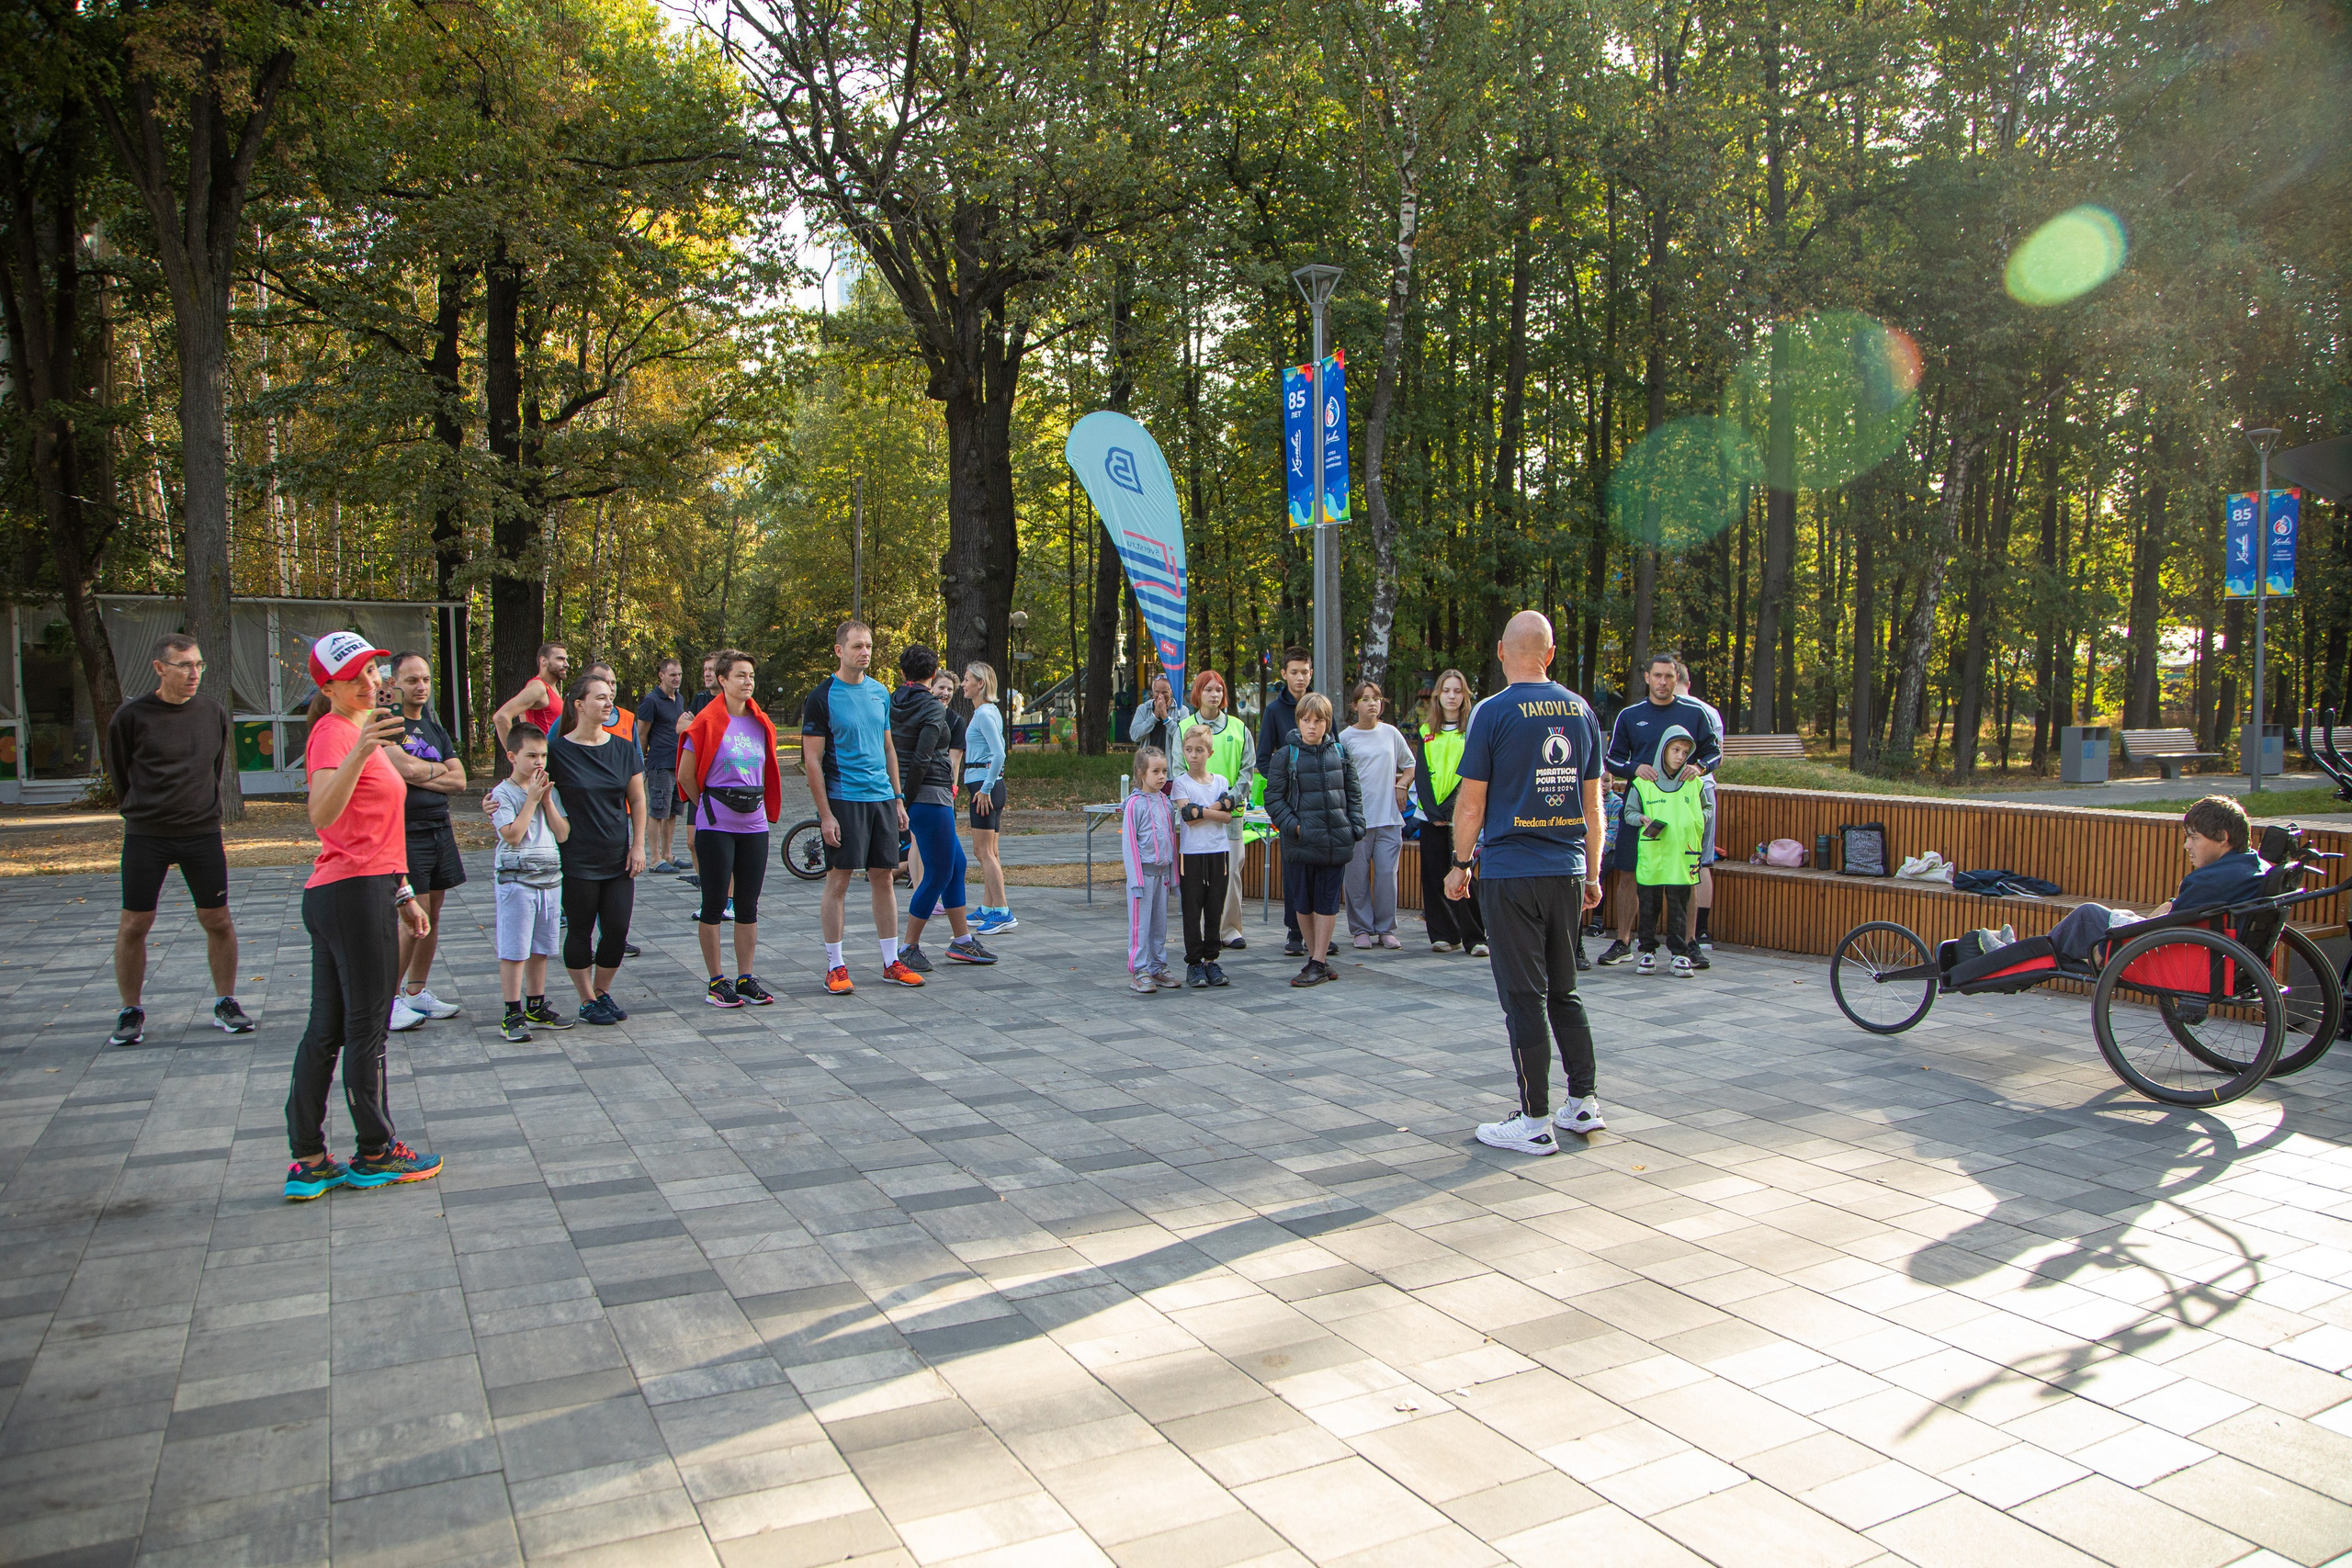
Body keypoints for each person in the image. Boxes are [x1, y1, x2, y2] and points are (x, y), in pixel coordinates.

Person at [283, 630, 442, 1199]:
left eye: (373, 671)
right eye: (355, 676)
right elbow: (323, 816)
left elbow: (372, 827)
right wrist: (358, 749)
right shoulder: (335, 734)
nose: (371, 683)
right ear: (327, 687)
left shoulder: (358, 731)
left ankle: (307, 1158)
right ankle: (375, 1151)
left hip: (356, 888)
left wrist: (402, 891)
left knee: (326, 1030)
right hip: (351, 895)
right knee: (365, 1028)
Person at [1449, 611, 1608, 1157]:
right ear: (1552, 652)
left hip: (1511, 872)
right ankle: (1582, 1101)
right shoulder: (1581, 711)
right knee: (1565, 990)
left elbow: (1471, 802)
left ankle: (1535, 1118)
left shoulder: (1492, 712)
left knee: (1523, 996)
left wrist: (1460, 863)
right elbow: (1594, 803)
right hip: (1566, 870)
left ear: (1500, 651)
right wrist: (1592, 871)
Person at [103, 633, 249, 1047]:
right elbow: (120, 774)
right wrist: (143, 808)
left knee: (217, 919)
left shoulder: (213, 712)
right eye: (184, 665)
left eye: (199, 665)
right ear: (159, 668)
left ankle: (226, 1001)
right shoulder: (131, 716)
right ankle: (130, 1009)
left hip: (201, 833)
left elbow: (215, 767)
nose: (194, 673)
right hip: (147, 835)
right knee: (136, 922)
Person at [802, 621, 920, 993]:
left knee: (883, 876)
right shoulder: (822, 697)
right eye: (856, 646)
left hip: (881, 799)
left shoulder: (880, 692)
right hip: (844, 798)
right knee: (839, 879)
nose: (864, 652)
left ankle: (891, 961)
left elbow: (888, 749)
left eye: (868, 645)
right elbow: (812, 760)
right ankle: (835, 966)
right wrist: (825, 815)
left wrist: (898, 797)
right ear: (839, 650)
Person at [1597, 654, 1721, 964]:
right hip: (1641, 807)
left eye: (1669, 676)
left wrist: (1700, 766)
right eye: (1658, 676)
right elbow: (1611, 760)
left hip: (1681, 809)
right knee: (1629, 870)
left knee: (1687, 874)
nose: (1663, 682)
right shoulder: (1629, 714)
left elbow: (1714, 751)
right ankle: (1624, 941)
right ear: (1647, 678)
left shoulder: (1694, 713)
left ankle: (1689, 943)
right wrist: (1635, 768)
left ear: (1677, 679)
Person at [2041, 795, 2267, 964]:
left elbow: (2166, 929)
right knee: (2111, 916)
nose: (2186, 846)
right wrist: (2172, 905)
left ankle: (2018, 956)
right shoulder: (2254, 868)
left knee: (2087, 915)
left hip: (2167, 955)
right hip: (2212, 953)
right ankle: (2017, 950)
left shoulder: (2210, 880)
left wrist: (2106, 948)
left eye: (2194, 838)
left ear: (2222, 838)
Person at [677, 649, 782, 1007]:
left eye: (751, 675)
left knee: (748, 905)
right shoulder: (705, 722)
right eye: (740, 675)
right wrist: (707, 806)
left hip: (753, 824)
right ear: (722, 680)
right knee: (715, 902)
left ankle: (745, 977)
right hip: (717, 822)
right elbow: (686, 776)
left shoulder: (760, 721)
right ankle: (716, 981)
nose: (748, 682)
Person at [546, 672, 648, 1024]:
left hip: (618, 855)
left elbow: (637, 798)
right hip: (577, 857)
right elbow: (526, 782)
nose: (609, 704)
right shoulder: (557, 751)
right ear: (579, 705)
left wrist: (638, 846)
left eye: (610, 697)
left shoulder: (622, 749)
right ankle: (586, 998)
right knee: (580, 930)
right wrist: (497, 803)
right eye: (600, 698)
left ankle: (603, 991)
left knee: (617, 929)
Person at [893, 647, 996, 973]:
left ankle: (962, 941)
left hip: (921, 796)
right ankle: (908, 946)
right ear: (933, 673)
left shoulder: (894, 701)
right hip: (929, 796)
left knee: (957, 863)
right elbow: (923, 757)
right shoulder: (931, 708)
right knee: (938, 871)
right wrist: (905, 800)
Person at [383, 651, 468, 1030]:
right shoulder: (385, 724)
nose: (420, 687)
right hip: (405, 831)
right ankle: (385, 1001)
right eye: (412, 680)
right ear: (394, 683)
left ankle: (416, 993)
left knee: (431, 915)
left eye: (425, 680)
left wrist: (422, 773)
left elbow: (460, 780)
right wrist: (432, 772)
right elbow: (400, 767)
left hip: (439, 827)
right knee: (409, 919)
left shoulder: (434, 728)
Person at [1265, 693, 1364, 987]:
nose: (1312, 726)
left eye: (1318, 720)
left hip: (1335, 841)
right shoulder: (1286, 755)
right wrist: (1295, 827)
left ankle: (1318, 961)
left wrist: (1355, 826)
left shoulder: (1340, 753)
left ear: (1327, 722)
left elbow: (1353, 793)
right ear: (1298, 721)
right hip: (1301, 843)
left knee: (1327, 901)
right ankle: (1315, 957)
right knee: (1303, 902)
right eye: (1306, 720)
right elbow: (1273, 798)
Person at [486, 727, 574, 1043]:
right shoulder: (503, 794)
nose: (539, 763)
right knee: (515, 948)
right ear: (512, 757)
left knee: (541, 946)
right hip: (517, 881)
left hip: (549, 881)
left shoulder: (548, 790)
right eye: (531, 756)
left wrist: (546, 801)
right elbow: (512, 834)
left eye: (543, 756)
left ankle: (536, 1004)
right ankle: (512, 1012)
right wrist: (531, 800)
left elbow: (562, 833)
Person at [1620, 727, 1713, 977]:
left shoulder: (1695, 783)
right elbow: (1628, 813)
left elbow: (1707, 810)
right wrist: (1641, 819)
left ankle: (1679, 953)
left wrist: (1692, 820)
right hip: (1653, 855)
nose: (1680, 756)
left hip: (1682, 856)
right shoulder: (1642, 783)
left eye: (1685, 752)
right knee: (1648, 905)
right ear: (1663, 750)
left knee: (1679, 907)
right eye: (1675, 750)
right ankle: (1647, 951)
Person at [1413, 669, 1487, 958]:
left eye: (1457, 691)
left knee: (1464, 873)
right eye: (1446, 691)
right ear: (1438, 695)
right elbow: (1422, 774)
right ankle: (1445, 934)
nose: (1452, 696)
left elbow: (1471, 775)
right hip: (1431, 817)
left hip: (1462, 815)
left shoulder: (1472, 732)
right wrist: (1433, 811)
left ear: (1465, 695)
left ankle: (1476, 937)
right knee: (1433, 875)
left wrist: (1452, 809)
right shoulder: (1425, 731)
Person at [1339, 680, 1415, 951]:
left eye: (1377, 698)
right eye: (1366, 698)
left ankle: (1385, 928)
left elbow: (1409, 765)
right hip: (1357, 821)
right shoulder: (1345, 738)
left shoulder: (1392, 733)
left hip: (1389, 819)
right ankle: (1360, 929)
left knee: (1386, 876)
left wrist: (1401, 785)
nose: (1372, 703)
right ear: (1355, 705)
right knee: (1356, 878)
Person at [1177, 671, 1250, 950]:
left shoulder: (1238, 727)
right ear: (1198, 693)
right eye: (1208, 689)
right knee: (1197, 888)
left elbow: (1246, 771)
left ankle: (1230, 929)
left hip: (1228, 814)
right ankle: (1201, 942)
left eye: (1219, 689)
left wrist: (1219, 805)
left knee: (1230, 874)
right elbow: (1176, 769)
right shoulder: (1183, 727)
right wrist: (1200, 809)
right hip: (1194, 821)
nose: (1214, 694)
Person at [1255, 648, 1316, 956]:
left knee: (1320, 868)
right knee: (1294, 869)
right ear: (1284, 674)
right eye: (1294, 672)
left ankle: (1319, 931)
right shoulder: (1274, 711)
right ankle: (1295, 930)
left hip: (1319, 803)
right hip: (1291, 804)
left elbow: (1334, 752)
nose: (1300, 677)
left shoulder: (1320, 707)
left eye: (1305, 671)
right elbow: (1263, 759)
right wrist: (1285, 782)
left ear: (1311, 673)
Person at [1173, 727, 1236, 988]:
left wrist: (1203, 811)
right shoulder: (1181, 783)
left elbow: (1229, 815)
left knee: (1214, 908)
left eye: (1199, 750)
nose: (1194, 755)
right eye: (1189, 750)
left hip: (1218, 853)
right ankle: (1194, 962)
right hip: (1192, 855)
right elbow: (1188, 819)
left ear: (1209, 752)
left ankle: (1211, 959)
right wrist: (1215, 810)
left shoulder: (1220, 781)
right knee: (1192, 908)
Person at [1121, 746, 1180, 994]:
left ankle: (1158, 966)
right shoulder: (1134, 805)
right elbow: (1130, 845)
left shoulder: (1166, 803)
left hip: (1162, 875)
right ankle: (1139, 969)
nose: (1162, 776)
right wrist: (1135, 879)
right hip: (1142, 877)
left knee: (1159, 924)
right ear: (1141, 773)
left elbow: (1172, 841)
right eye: (1155, 771)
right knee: (1141, 925)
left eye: (1164, 771)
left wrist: (1173, 877)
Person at [962, 662, 1014, 933]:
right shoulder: (989, 711)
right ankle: (989, 907)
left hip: (986, 789)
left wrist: (985, 787)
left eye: (967, 679)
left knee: (982, 852)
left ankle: (1003, 911)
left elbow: (999, 753)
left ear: (980, 684)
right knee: (990, 851)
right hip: (989, 787)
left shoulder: (983, 713)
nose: (963, 683)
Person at [638, 657, 688, 872]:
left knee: (673, 811)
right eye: (672, 675)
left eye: (679, 674)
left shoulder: (679, 699)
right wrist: (640, 766)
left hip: (677, 763)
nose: (677, 678)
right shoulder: (651, 701)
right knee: (658, 810)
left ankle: (668, 854)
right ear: (661, 675)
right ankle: (654, 858)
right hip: (659, 764)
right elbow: (641, 734)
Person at [680, 653, 720, 886]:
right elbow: (680, 727)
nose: (706, 673)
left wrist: (697, 726)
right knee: (692, 841)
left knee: (718, 841)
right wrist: (703, 727)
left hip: (719, 780)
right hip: (697, 781)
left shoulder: (728, 700)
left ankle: (726, 892)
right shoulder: (700, 698)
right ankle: (706, 886)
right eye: (704, 669)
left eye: (711, 669)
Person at [492, 641, 569, 749]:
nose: (566, 665)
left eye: (566, 660)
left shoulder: (551, 687)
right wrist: (516, 755)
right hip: (544, 760)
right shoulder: (538, 687)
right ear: (543, 661)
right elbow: (501, 717)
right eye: (560, 659)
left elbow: (523, 714)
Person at [1129, 672, 1188, 763]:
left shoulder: (1182, 711)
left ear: (1171, 691)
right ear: (1153, 691)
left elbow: (1185, 739)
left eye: (1164, 692)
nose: (1160, 696)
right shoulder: (1143, 709)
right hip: (1147, 768)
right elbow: (1134, 735)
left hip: (1171, 769)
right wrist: (1154, 717)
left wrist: (1166, 718)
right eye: (1157, 692)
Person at [587, 660, 637, 744]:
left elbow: (637, 754)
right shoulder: (574, 717)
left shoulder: (627, 718)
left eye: (613, 683)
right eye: (604, 682)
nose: (610, 688)